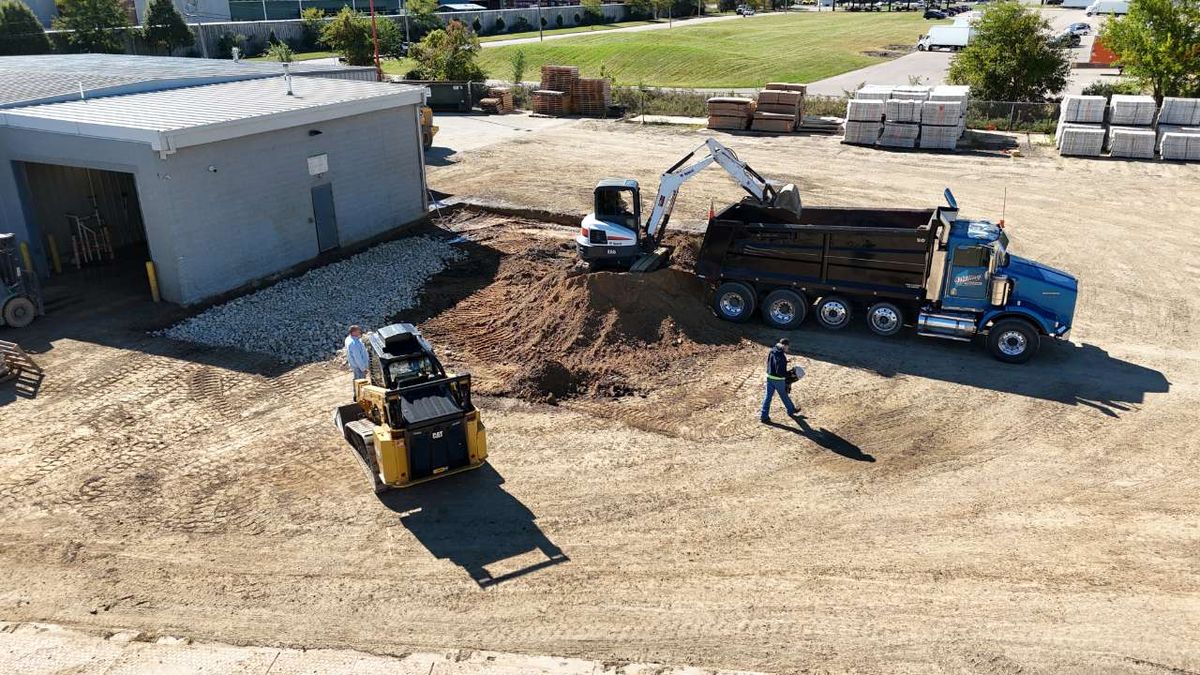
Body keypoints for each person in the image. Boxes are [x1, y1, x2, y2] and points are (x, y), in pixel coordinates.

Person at [761, 337, 799, 423]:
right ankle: (791, 410)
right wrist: (789, 374)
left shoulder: (772, 350)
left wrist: (786, 362)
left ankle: (764, 416)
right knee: (784, 395)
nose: (788, 348)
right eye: (788, 347)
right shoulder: (781, 356)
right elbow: (780, 371)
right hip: (778, 380)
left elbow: (773, 363)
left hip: (769, 377)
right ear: (785, 346)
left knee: (767, 397)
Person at [344, 325, 369, 392]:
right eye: (358, 331)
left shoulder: (349, 339)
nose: (360, 332)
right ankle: (358, 397)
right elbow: (357, 358)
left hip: (356, 366)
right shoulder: (354, 343)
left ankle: (357, 395)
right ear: (353, 332)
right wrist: (363, 369)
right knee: (361, 383)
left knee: (357, 381)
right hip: (359, 367)